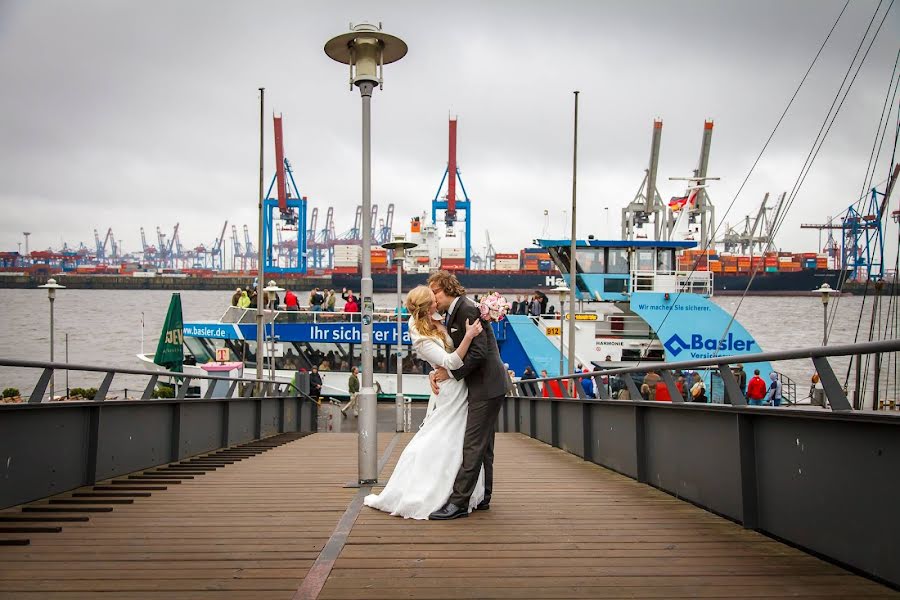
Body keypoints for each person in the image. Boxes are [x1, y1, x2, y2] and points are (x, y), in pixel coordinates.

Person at [364, 284, 486, 519]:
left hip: (456, 385)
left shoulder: (435, 319)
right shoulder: (419, 334)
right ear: (425, 306)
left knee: (456, 438)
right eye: (433, 299)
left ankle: (459, 492)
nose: (437, 300)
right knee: (444, 437)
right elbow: (449, 362)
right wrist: (469, 336)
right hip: (451, 390)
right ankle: (431, 490)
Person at [425, 271, 508, 520]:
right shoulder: (457, 311)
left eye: (436, 292)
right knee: (484, 446)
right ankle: (483, 497)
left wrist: (449, 374)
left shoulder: (467, 310)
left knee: (472, 445)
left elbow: (479, 352)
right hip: (487, 384)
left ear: (449, 289)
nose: (434, 298)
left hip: (486, 385)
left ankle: (458, 503)